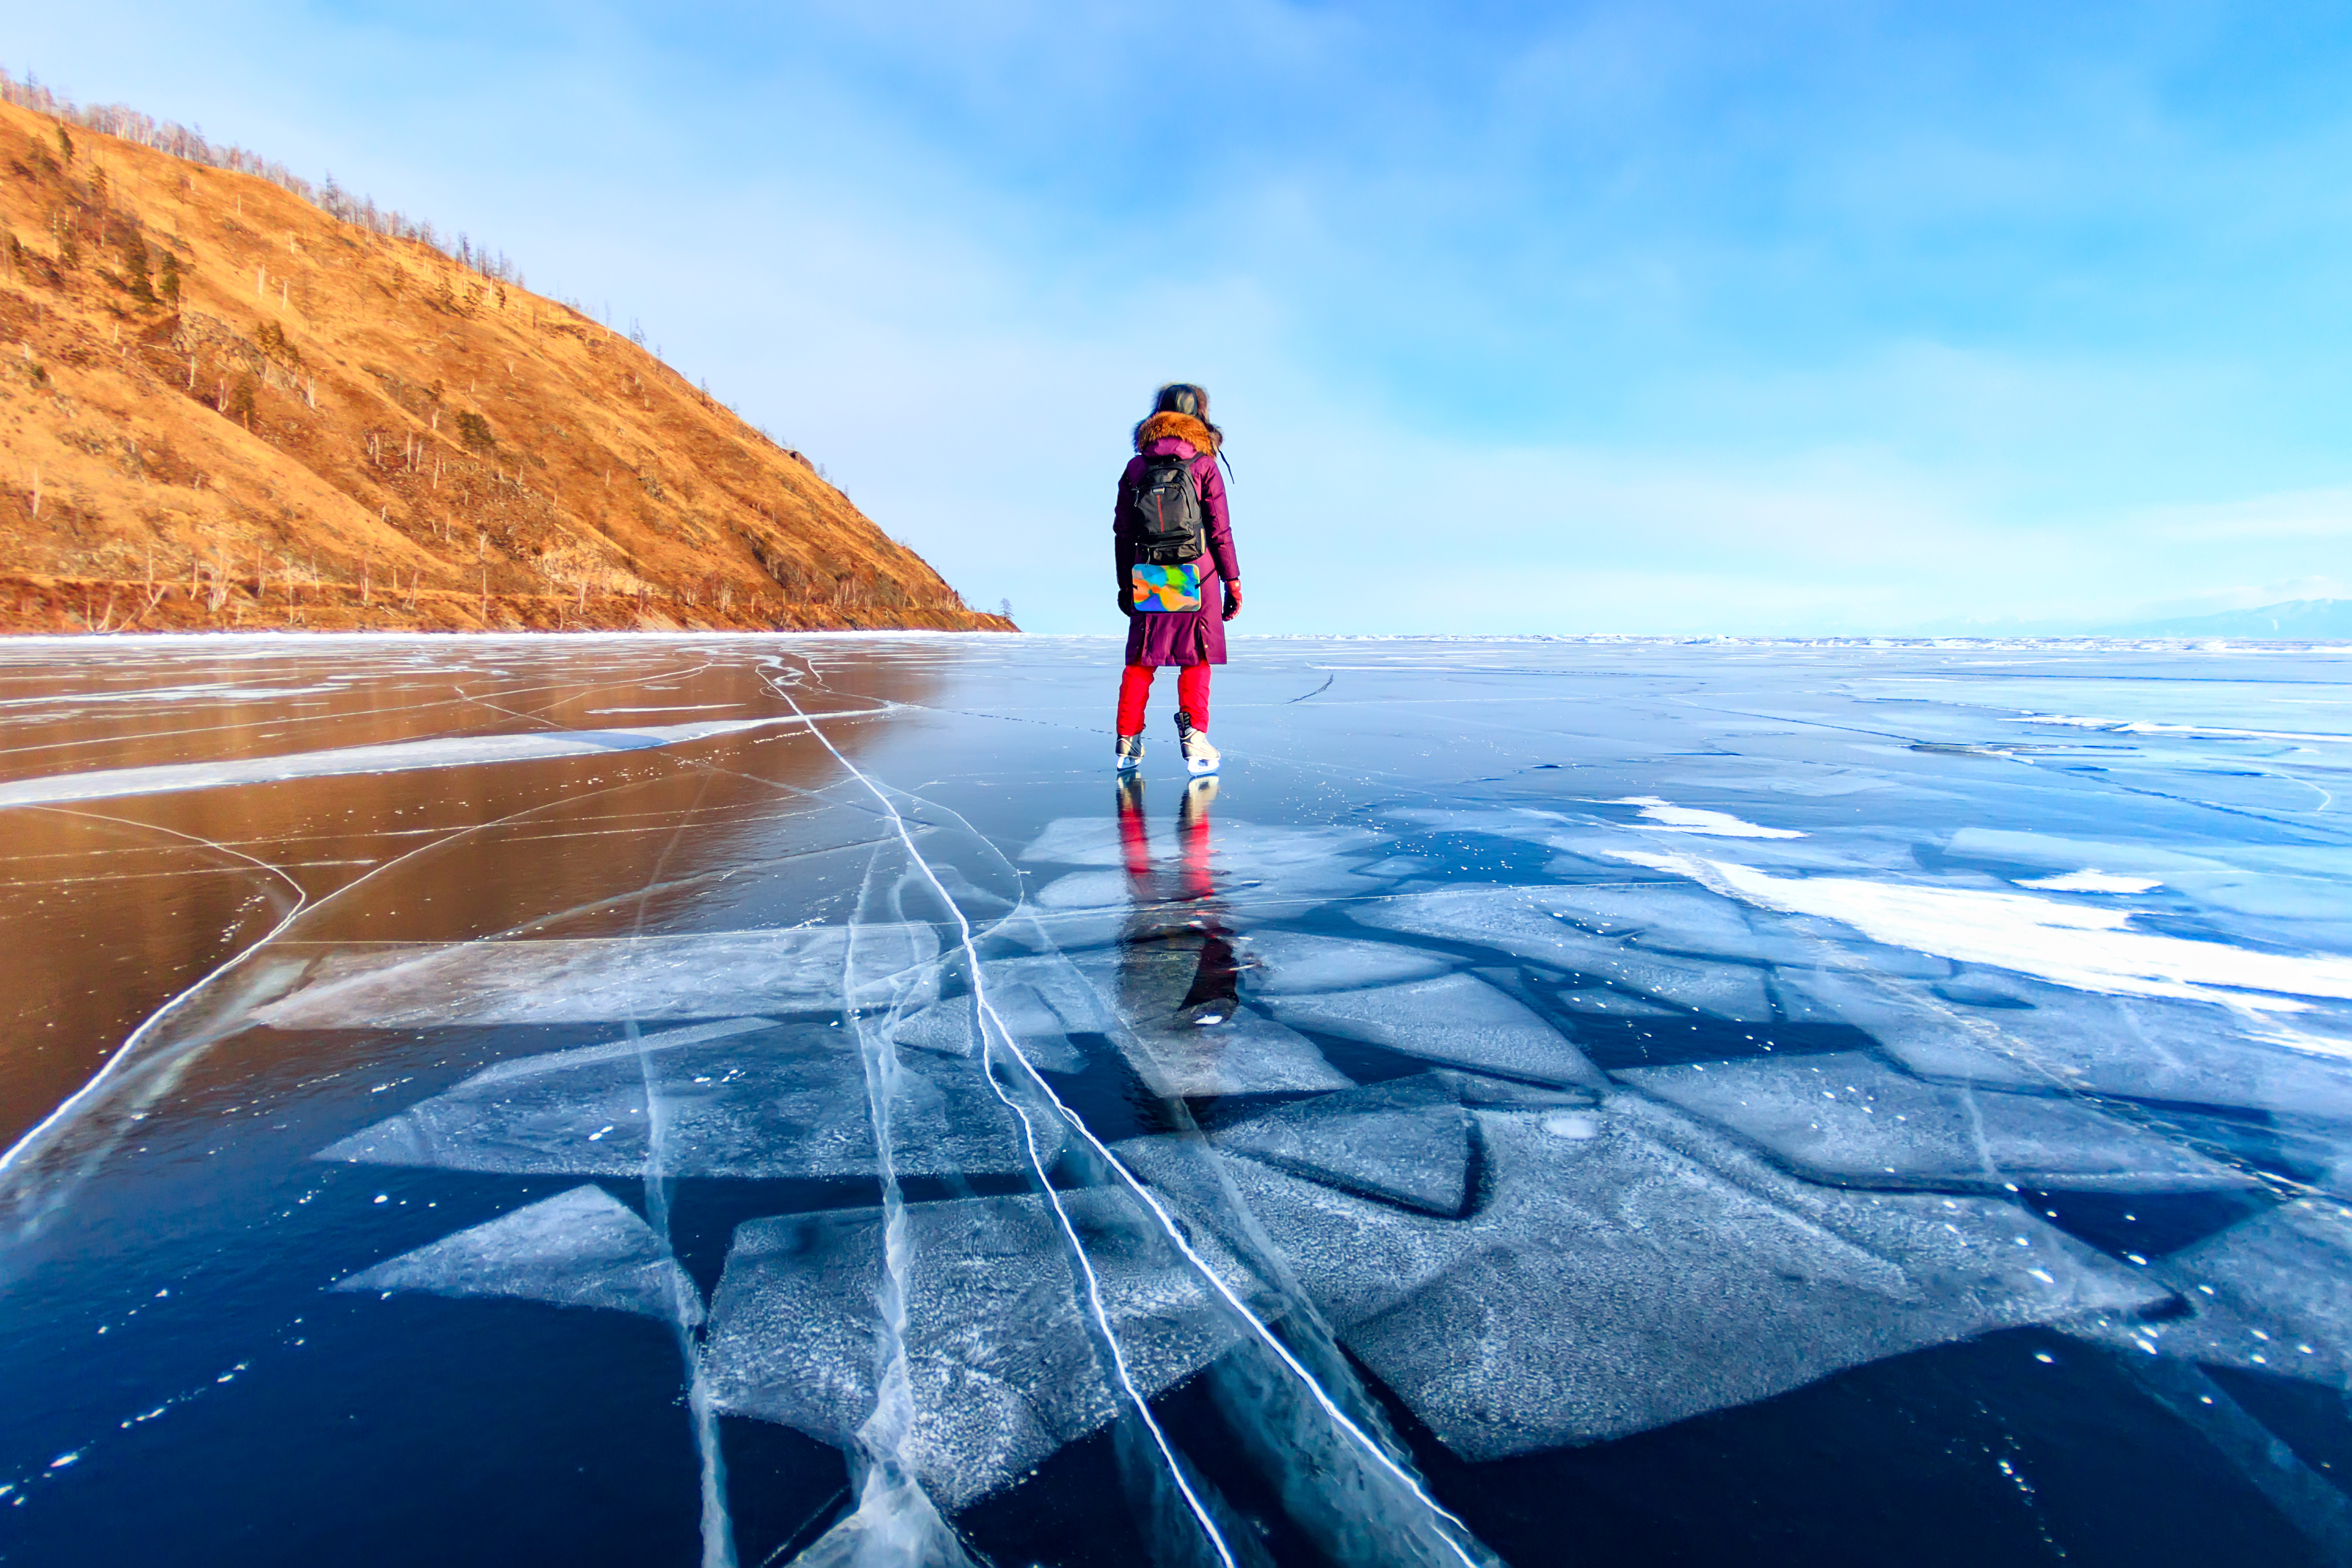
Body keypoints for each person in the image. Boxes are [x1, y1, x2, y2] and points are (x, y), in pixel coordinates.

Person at [1113, 383, 1242, 775]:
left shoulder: (1137, 468)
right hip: (1197, 571)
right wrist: (1232, 582)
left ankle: (1127, 739)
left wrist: (1125, 584)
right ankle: (1194, 737)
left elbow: (1123, 531)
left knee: (1142, 659)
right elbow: (1220, 531)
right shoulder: (1204, 464)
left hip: (1151, 569)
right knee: (1196, 656)